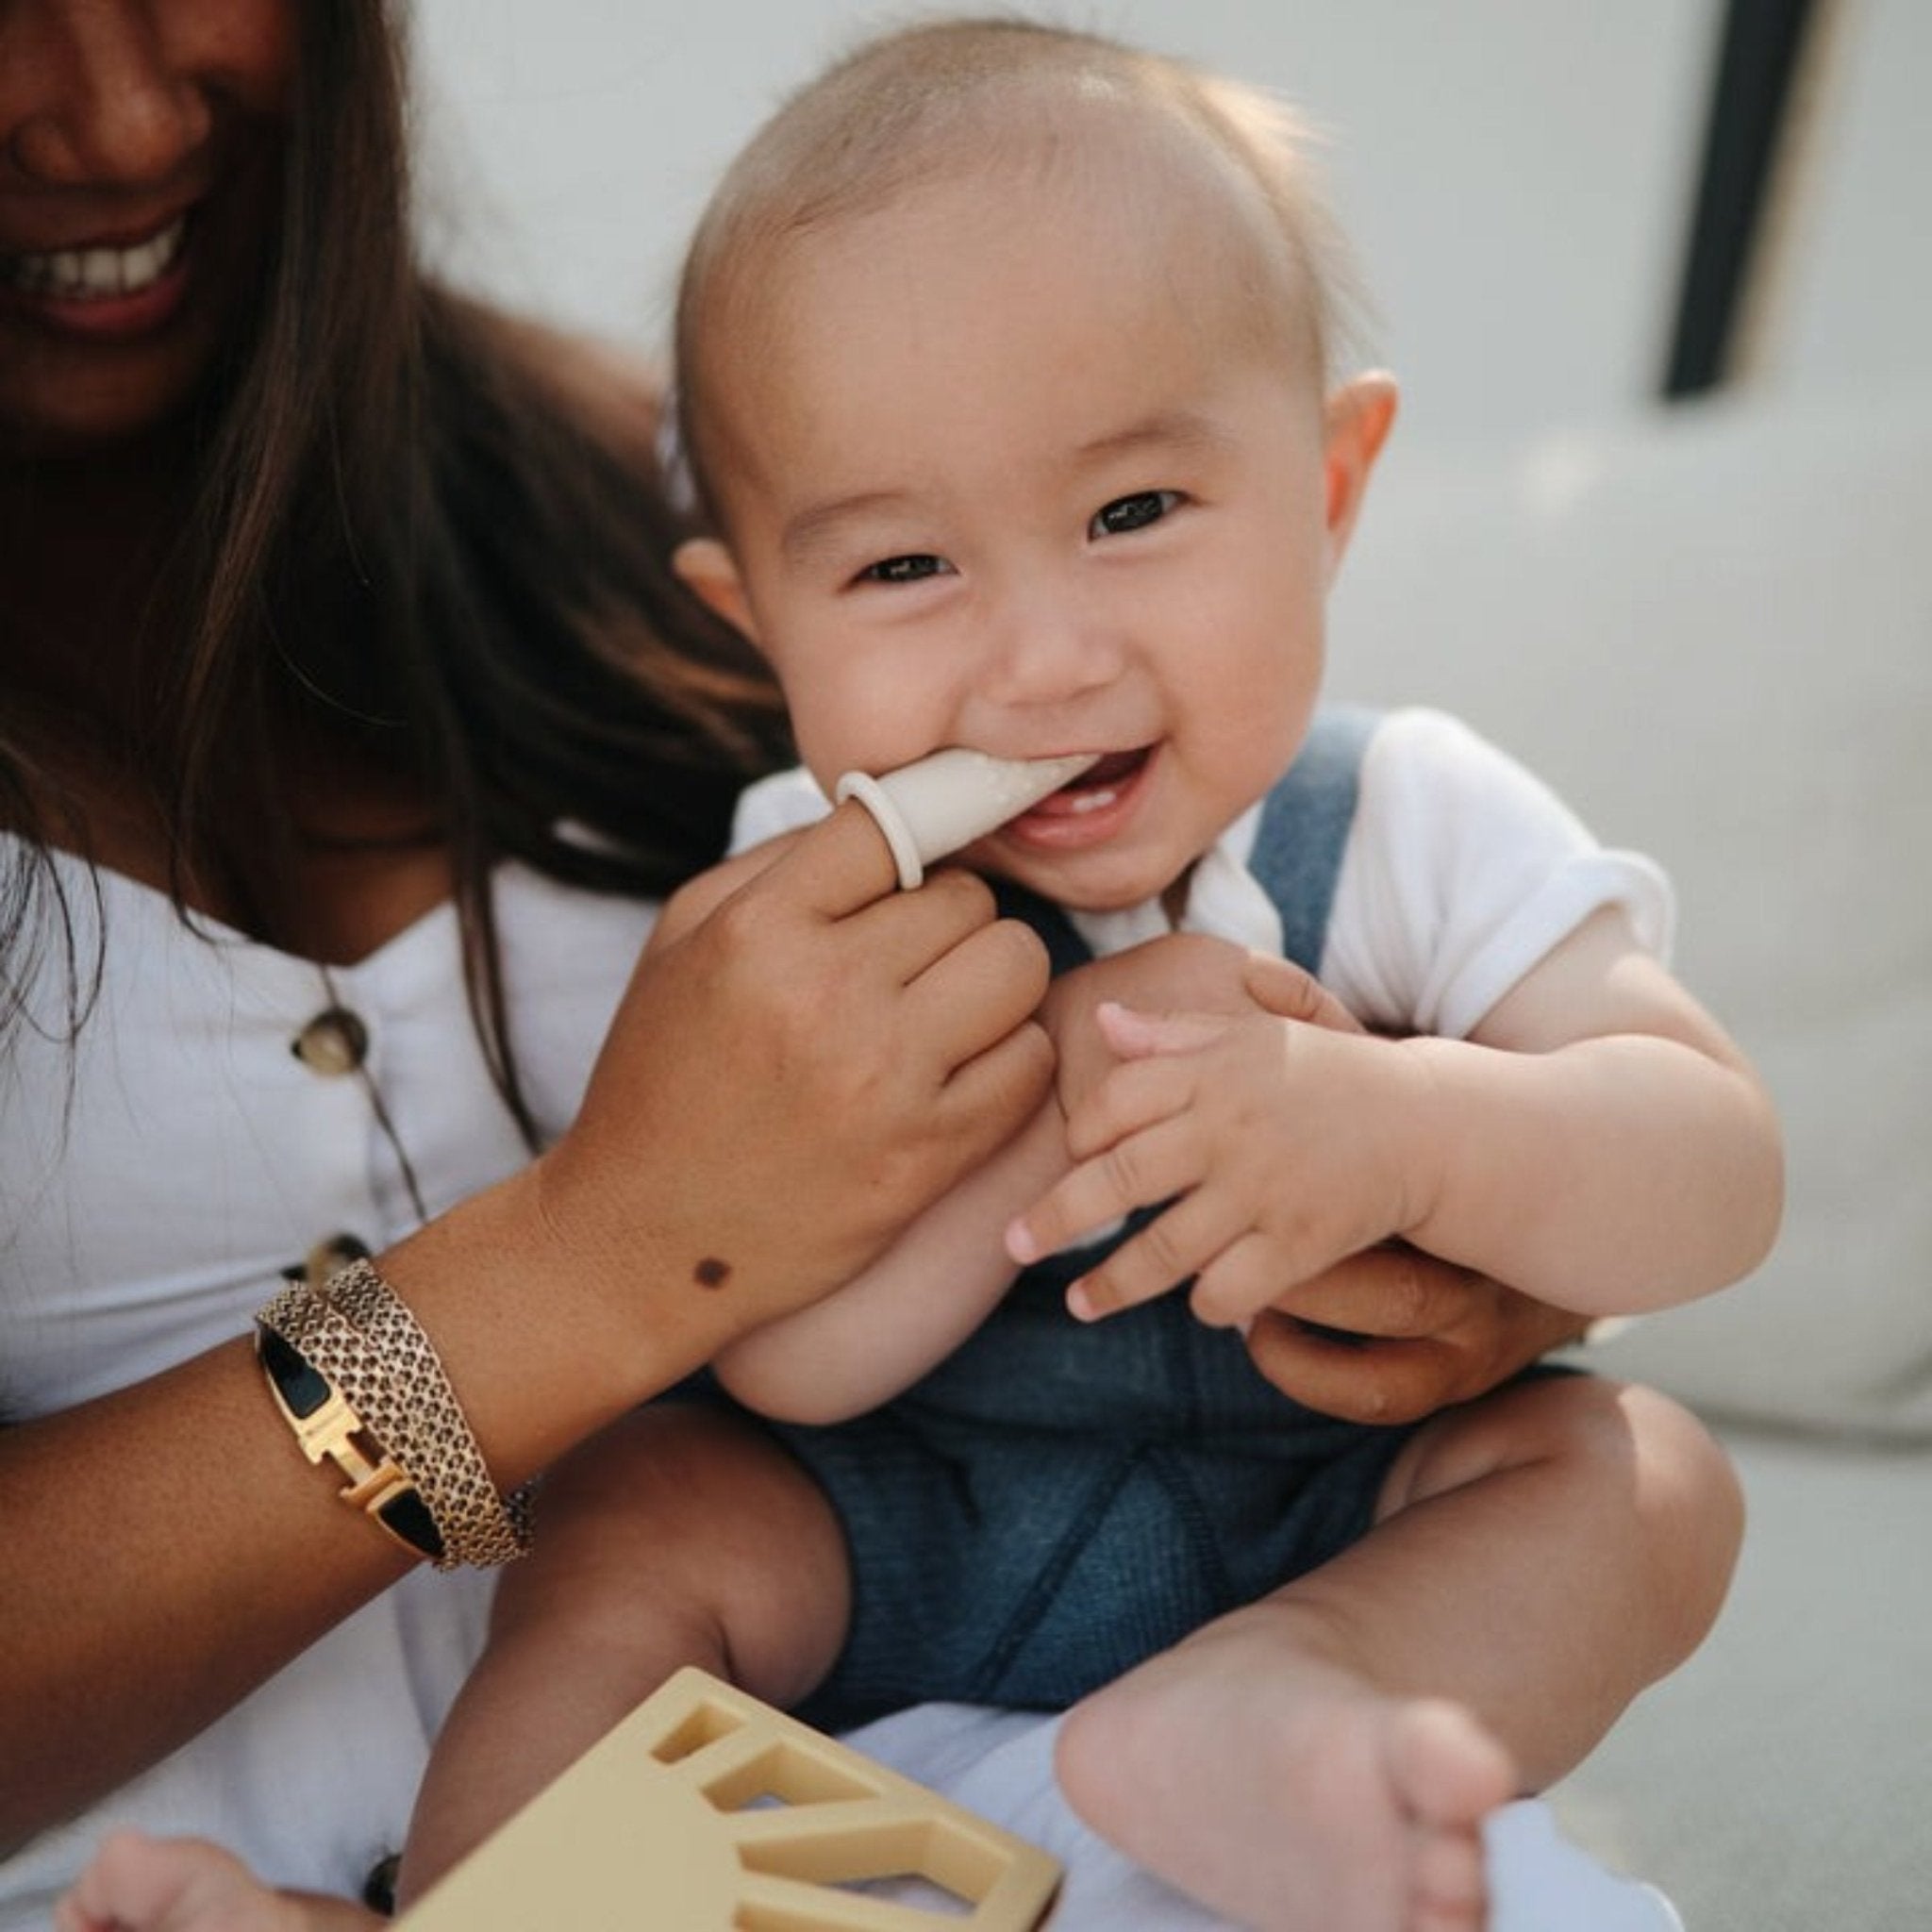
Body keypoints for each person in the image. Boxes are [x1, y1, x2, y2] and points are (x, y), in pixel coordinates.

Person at [80, 17, 1775, 1932]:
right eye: (901, 571)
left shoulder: (1401, 817)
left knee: (1636, 1472)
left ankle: (1279, 1709)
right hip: (886, 1530)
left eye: (1134, 513)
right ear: (752, 618)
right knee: (637, 1517)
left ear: (1331, 484)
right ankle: (484, 1900)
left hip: (1321, 1523)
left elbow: (1710, 1174)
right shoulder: (803, 896)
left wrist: (1403, 1127)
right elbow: (792, 1356)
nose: (1042, 659)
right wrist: (1049, 1081)